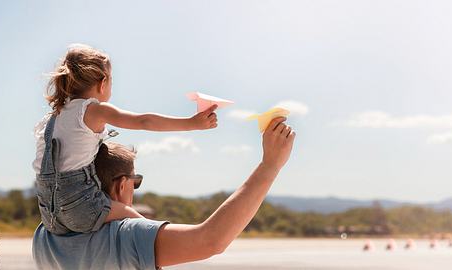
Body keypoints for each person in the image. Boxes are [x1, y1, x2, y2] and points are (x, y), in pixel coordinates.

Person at [33, 117, 296, 269]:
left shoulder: (44, 236)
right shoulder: (126, 236)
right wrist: (270, 164)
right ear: (121, 185)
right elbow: (211, 240)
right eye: (135, 182)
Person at [33, 44, 219, 235]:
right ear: (103, 82)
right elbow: (143, 121)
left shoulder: (52, 117)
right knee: (136, 220)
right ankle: (160, 243)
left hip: (49, 214)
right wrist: (192, 123)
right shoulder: (93, 110)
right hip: (81, 209)